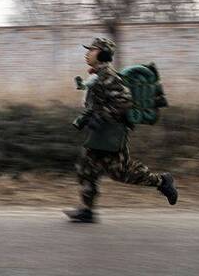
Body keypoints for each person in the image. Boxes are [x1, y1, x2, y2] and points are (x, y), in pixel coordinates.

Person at [65, 38, 178, 223]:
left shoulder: (109, 76)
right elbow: (99, 102)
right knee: (86, 168)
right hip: (101, 133)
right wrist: (88, 117)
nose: (87, 53)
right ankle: (87, 210)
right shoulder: (98, 75)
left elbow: (124, 103)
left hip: (112, 133)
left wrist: (100, 116)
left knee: (121, 172)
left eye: (91, 50)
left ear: (102, 53)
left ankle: (162, 181)